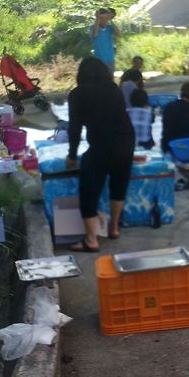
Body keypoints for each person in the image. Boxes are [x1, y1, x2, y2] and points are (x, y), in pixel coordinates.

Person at [66, 57, 135, 252]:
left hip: (101, 145)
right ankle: (114, 229)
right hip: (126, 142)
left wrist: (72, 155)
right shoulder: (114, 89)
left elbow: (75, 128)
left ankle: (91, 239)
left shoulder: (77, 94)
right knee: (118, 185)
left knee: (89, 191)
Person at [90, 8, 118, 75]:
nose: (104, 20)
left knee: (110, 81)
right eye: (102, 18)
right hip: (98, 60)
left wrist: (110, 18)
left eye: (106, 18)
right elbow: (95, 34)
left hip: (110, 60)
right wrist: (97, 18)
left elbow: (118, 34)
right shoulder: (93, 27)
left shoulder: (110, 28)